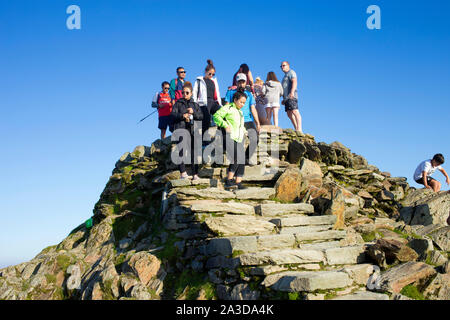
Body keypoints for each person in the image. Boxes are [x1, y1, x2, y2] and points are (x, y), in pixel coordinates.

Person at [213, 91, 249, 190]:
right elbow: (216, 116)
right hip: (229, 136)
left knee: (242, 159)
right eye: (241, 102)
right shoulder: (228, 108)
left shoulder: (240, 112)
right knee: (237, 157)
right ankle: (228, 180)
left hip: (239, 138)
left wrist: (245, 131)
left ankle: (238, 182)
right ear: (235, 100)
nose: (243, 104)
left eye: (244, 103)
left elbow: (240, 126)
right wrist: (225, 125)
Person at [225, 73, 260, 164]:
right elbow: (227, 106)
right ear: (236, 83)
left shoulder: (249, 94)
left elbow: (252, 108)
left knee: (255, 138)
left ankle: (246, 158)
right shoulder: (230, 92)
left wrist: (258, 123)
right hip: (235, 120)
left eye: (243, 82)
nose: (241, 84)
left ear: (246, 83)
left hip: (247, 120)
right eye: (239, 82)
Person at [171, 82, 204, 180]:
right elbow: (172, 116)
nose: (184, 95)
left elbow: (201, 116)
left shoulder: (195, 105)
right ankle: (183, 173)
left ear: (191, 93)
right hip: (181, 129)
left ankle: (195, 174)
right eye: (183, 93)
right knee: (181, 151)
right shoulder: (178, 103)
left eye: (187, 93)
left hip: (193, 130)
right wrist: (182, 116)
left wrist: (193, 113)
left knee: (194, 152)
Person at [192, 59, 222, 135]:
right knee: (207, 119)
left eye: (213, 74)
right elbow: (194, 93)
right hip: (204, 102)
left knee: (221, 113)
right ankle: (203, 138)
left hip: (213, 102)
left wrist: (220, 103)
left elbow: (217, 93)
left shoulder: (214, 81)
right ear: (206, 71)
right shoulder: (199, 80)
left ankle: (221, 133)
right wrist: (195, 104)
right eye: (210, 73)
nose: (211, 75)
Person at [281, 61, 302, 133]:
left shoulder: (291, 72)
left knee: (295, 111)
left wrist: (292, 92)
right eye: (281, 66)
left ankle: (299, 129)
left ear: (288, 65)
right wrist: (284, 99)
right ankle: (296, 128)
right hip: (286, 98)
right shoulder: (284, 76)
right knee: (289, 114)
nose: (282, 67)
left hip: (291, 95)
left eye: (284, 65)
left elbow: (294, 81)